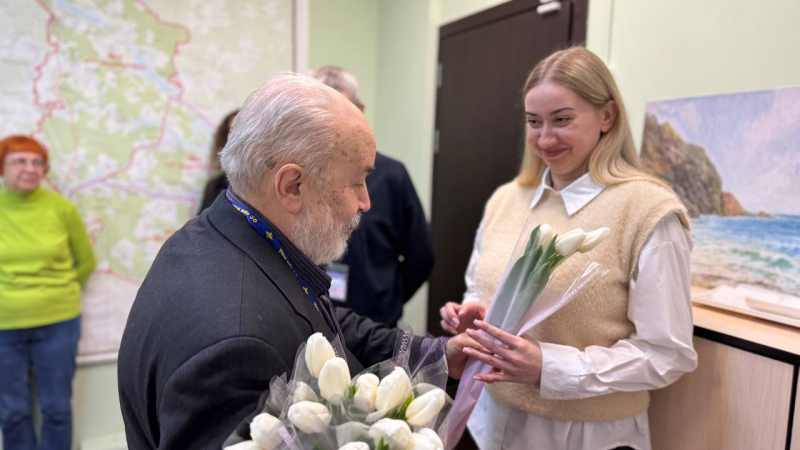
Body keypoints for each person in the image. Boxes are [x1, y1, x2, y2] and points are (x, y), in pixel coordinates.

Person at [117, 73, 483, 450]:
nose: (365, 202)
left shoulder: (225, 235)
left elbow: (313, 319)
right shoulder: (237, 350)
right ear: (292, 186)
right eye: (357, 182)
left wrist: (435, 355)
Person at [439, 47, 698, 450]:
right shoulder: (506, 200)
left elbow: (668, 353)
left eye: (562, 119)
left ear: (607, 116)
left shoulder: (648, 211)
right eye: (533, 121)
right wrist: (475, 312)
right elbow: (479, 283)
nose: (544, 138)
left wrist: (552, 367)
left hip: (586, 437)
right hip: (487, 423)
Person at [311, 66, 435, 325]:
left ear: (360, 110)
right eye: (321, 113)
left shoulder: (392, 176)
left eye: (340, 111)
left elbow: (421, 257)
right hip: (311, 320)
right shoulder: (302, 176)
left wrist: (388, 300)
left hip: (375, 323)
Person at [0, 136, 96, 450]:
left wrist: (57, 293)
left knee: (56, 407)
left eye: (37, 162)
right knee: (12, 410)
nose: (30, 168)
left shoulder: (61, 209)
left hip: (59, 322)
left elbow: (85, 261)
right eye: (20, 161)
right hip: (4, 326)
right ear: (2, 167)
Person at [198, 109, 238, 214]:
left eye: (240, 131)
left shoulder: (264, 185)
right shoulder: (215, 185)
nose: (236, 139)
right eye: (231, 132)